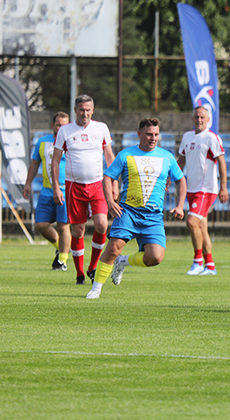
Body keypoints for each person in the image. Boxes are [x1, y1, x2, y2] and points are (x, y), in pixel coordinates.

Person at [86, 118, 186, 299]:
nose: (153, 138)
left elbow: (181, 179)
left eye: (156, 134)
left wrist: (180, 205)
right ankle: (96, 288)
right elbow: (108, 177)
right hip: (128, 212)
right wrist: (110, 202)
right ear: (139, 134)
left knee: (155, 257)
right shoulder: (126, 155)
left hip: (153, 216)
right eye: (149, 134)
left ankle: (122, 262)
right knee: (113, 247)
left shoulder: (167, 157)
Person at [51, 95, 116, 285]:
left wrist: (114, 183)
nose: (85, 113)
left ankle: (93, 267)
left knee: (102, 225)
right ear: (75, 110)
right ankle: (79, 273)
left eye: (88, 109)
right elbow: (55, 161)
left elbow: (110, 156)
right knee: (78, 231)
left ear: (93, 110)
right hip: (73, 186)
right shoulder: (65, 131)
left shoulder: (101, 128)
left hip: (97, 184)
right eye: (81, 109)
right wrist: (56, 186)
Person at [177, 106, 228, 275]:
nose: (199, 120)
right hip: (192, 189)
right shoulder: (187, 136)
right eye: (197, 117)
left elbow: (221, 161)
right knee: (201, 227)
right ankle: (210, 265)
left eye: (202, 117)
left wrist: (223, 187)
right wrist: (171, 177)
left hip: (206, 189)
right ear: (193, 118)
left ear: (208, 120)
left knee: (191, 222)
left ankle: (197, 261)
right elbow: (182, 160)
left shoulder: (211, 138)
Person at [23, 112, 72, 271]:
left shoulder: (71, 142)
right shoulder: (42, 142)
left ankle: (62, 260)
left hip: (65, 190)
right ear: (52, 126)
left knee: (63, 225)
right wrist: (28, 183)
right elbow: (35, 163)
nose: (61, 128)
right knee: (41, 225)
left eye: (64, 125)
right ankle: (61, 247)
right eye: (58, 124)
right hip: (46, 190)